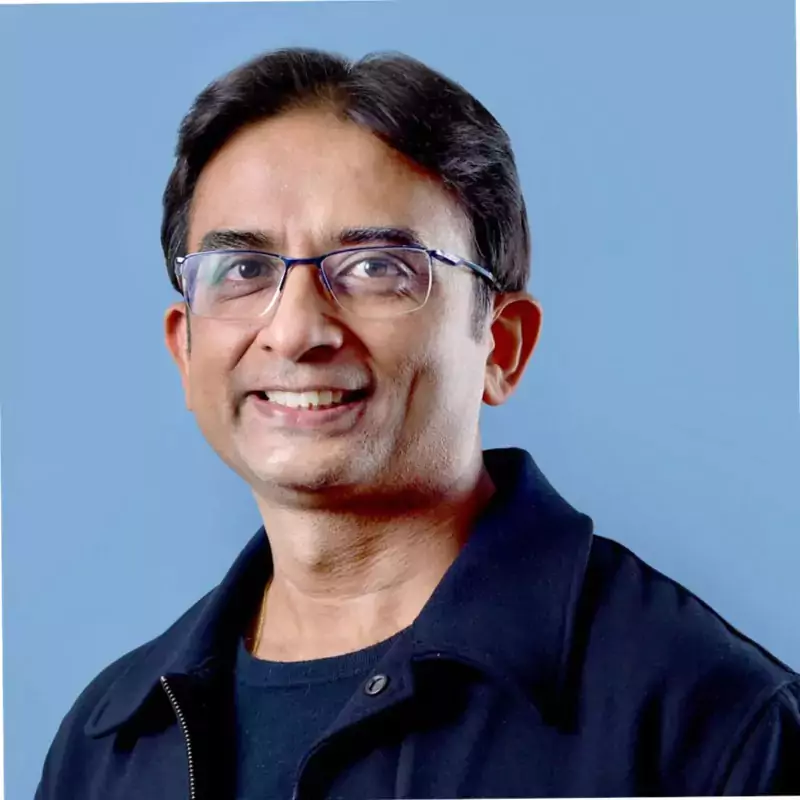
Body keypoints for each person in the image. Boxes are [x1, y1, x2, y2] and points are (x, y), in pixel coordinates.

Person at [36, 47, 799, 800]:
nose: (295, 332)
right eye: (244, 271)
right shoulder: (106, 745)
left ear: (501, 346)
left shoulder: (713, 727)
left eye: (377, 268)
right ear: (185, 348)